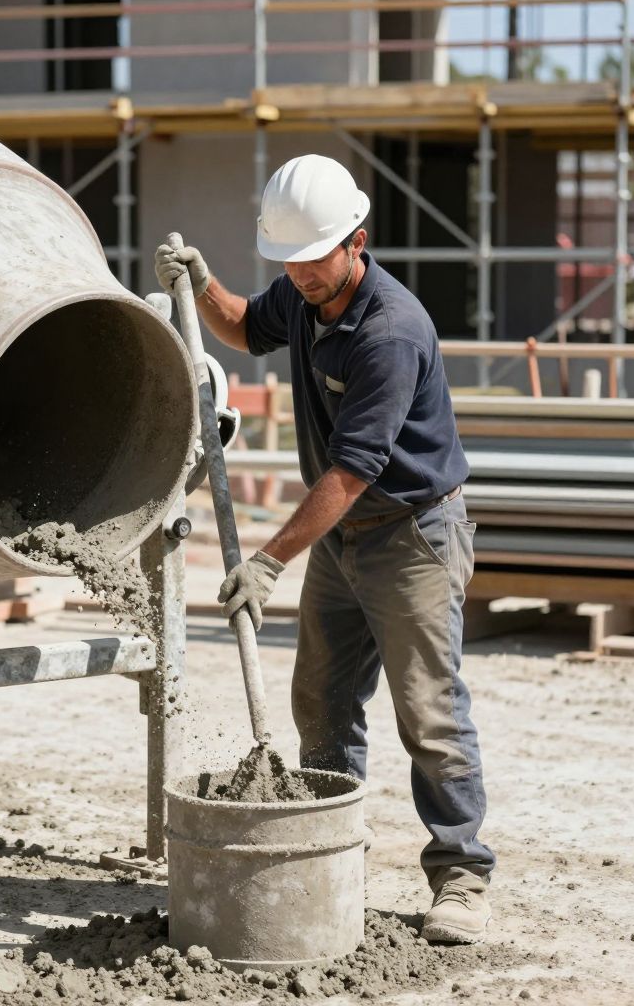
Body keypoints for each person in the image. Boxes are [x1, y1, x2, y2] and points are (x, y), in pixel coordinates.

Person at [155, 153, 496, 944]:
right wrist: (203, 285)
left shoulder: (391, 332)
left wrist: (270, 559)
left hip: (411, 536)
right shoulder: (304, 295)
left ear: (357, 242)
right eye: (290, 263)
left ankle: (463, 876)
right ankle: (329, 853)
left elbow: (352, 471)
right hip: (344, 539)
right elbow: (244, 326)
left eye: (314, 261)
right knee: (322, 704)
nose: (301, 276)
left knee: (430, 715)